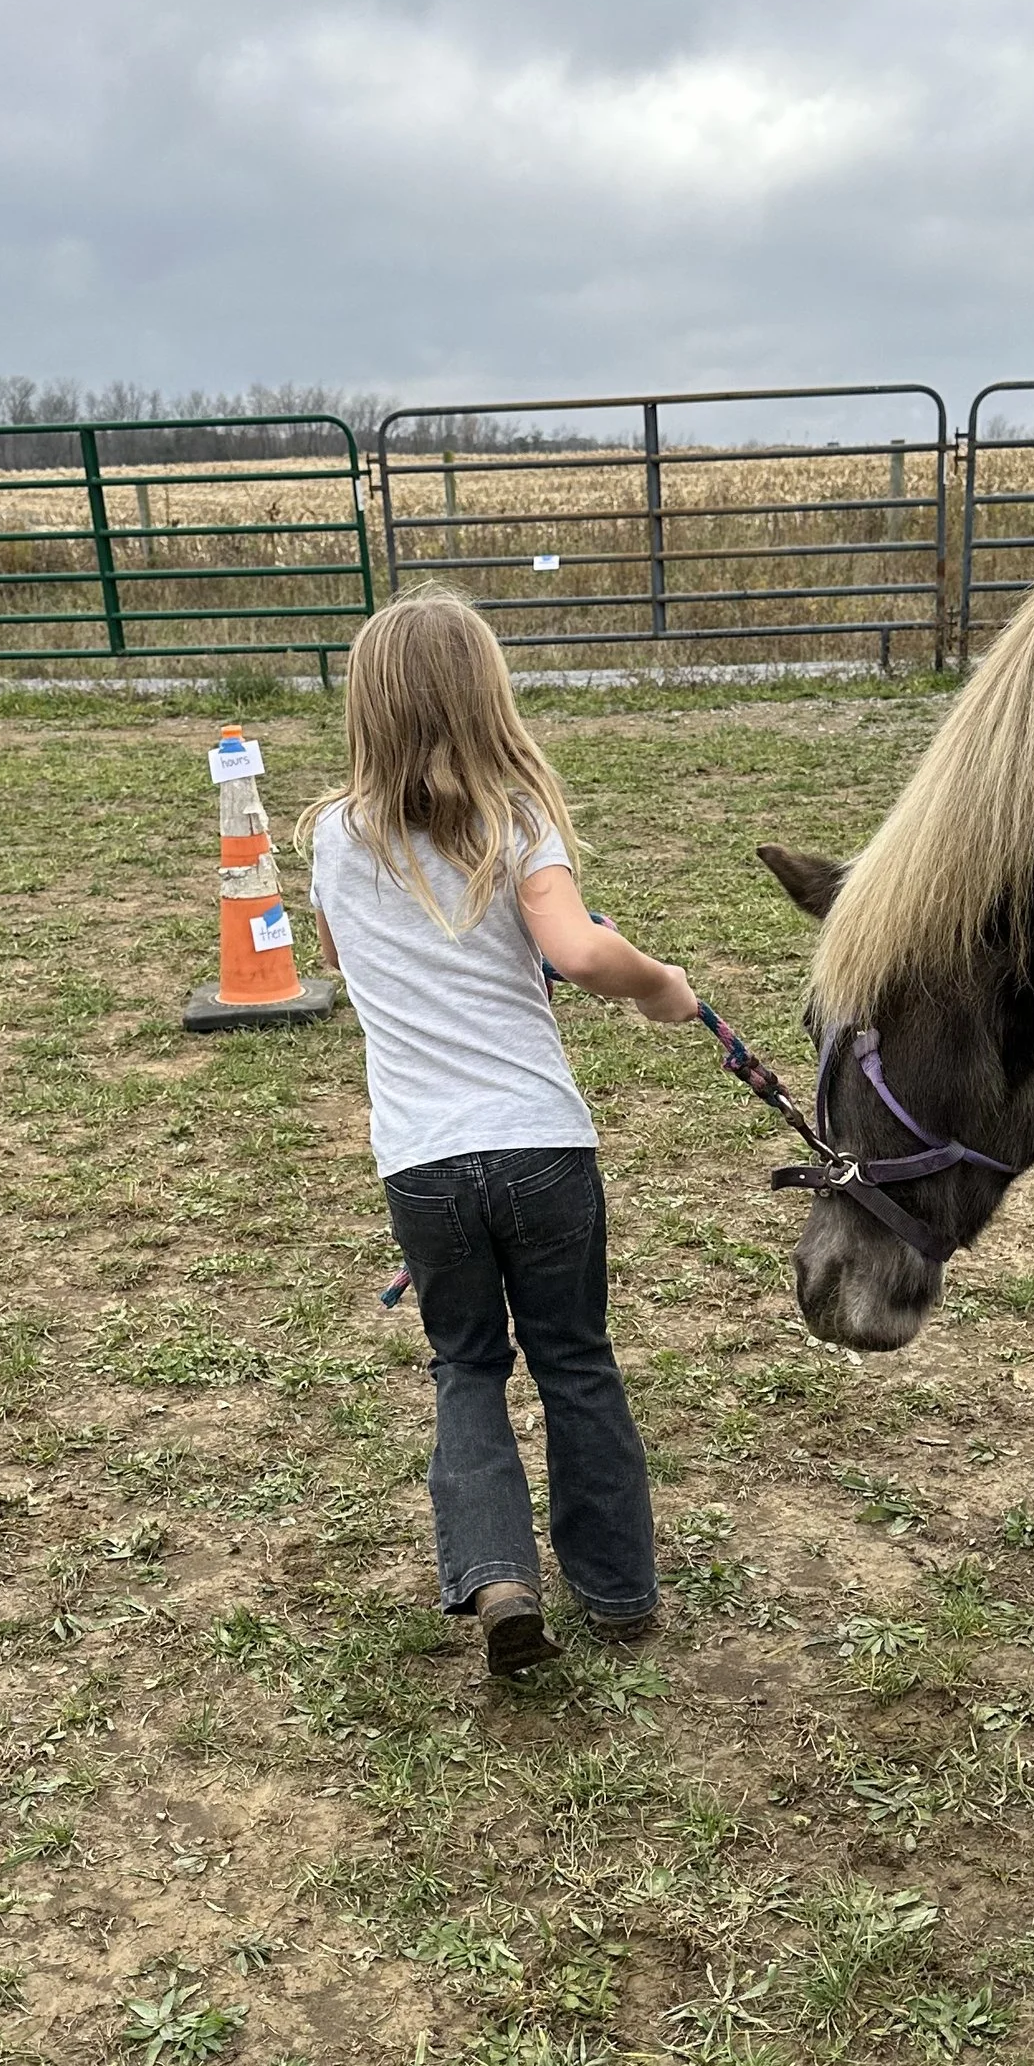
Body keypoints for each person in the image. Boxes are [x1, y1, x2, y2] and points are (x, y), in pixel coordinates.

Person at [305, 588, 698, 1674]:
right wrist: (661, 984)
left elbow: (340, 961)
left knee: (465, 1367)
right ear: (488, 698)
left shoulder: (333, 840)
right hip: (539, 1147)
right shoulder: (519, 818)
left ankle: (498, 1579)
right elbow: (576, 952)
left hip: (423, 1168)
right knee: (575, 1359)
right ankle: (617, 1589)